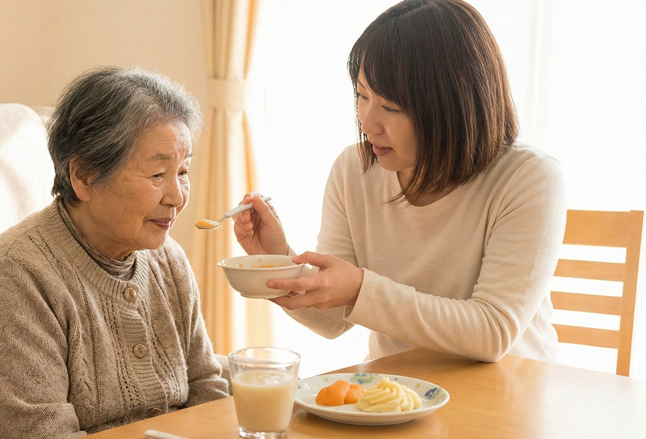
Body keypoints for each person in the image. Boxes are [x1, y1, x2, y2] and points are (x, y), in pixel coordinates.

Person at [234, 0, 566, 364]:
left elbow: (492, 332)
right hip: (395, 397)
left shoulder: (529, 178)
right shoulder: (354, 170)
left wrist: (362, 287)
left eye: (390, 107)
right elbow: (331, 321)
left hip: (505, 398)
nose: (367, 122)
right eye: (362, 96)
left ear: (452, 105)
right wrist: (276, 262)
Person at [0, 67, 229, 439]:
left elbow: (206, 387)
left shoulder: (167, 261)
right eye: (158, 174)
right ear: (84, 176)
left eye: (183, 171)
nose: (177, 196)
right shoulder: (16, 276)